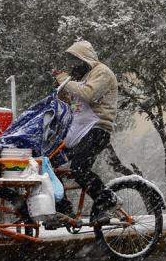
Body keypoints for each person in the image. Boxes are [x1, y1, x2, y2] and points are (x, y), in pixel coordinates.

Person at [51, 40, 120, 224]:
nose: (72, 66)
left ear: (84, 59)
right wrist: (62, 88)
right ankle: (64, 210)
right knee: (47, 163)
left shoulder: (102, 72)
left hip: (97, 129)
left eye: (75, 61)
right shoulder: (80, 78)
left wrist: (64, 81)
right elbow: (70, 101)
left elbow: (89, 94)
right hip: (77, 130)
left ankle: (107, 202)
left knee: (79, 168)